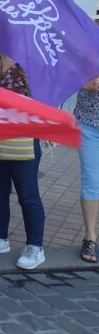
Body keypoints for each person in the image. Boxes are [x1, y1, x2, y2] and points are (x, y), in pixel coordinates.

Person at [0, 52, 46, 269]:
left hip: (24, 139)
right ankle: (0, 238)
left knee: (28, 195)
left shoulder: (33, 64)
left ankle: (35, 246)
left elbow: (44, 100)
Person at [76, 75, 99, 264]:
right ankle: (90, 237)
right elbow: (63, 74)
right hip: (88, 124)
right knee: (91, 181)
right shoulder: (84, 46)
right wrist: (82, 82)